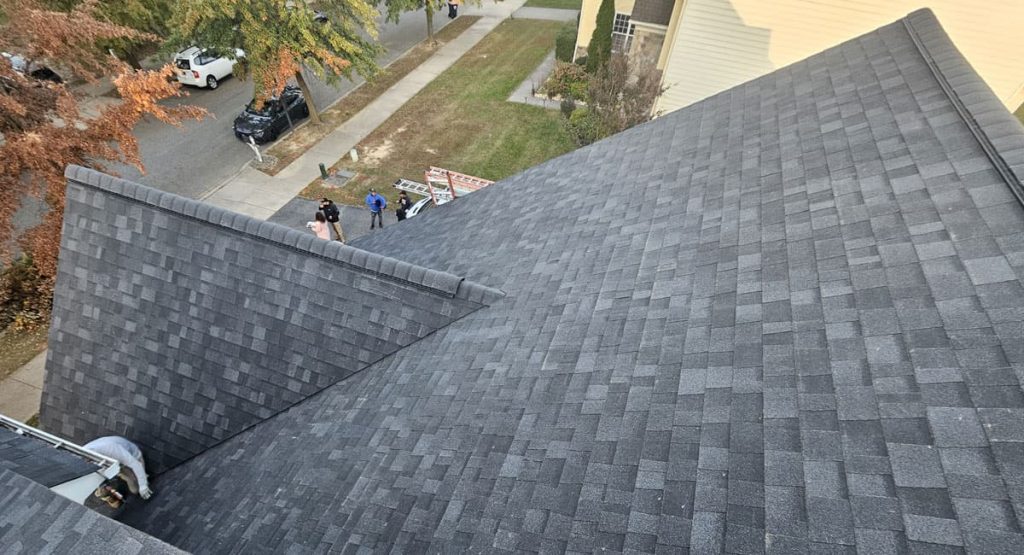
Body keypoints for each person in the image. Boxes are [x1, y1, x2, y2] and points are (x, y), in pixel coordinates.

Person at [83, 436, 153, 501]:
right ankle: (134, 475)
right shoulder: (82, 453)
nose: (87, 462)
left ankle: (142, 475)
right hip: (117, 463)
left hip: (133, 456)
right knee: (134, 488)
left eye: (88, 460)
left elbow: (135, 464)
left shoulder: (109, 448)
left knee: (136, 489)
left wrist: (143, 485)